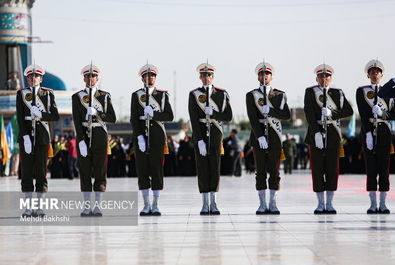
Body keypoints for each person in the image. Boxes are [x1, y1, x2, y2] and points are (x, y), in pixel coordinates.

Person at [304, 64, 353, 214]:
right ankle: (320, 204)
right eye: (321, 76)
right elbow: (309, 112)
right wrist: (316, 132)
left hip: (333, 134)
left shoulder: (338, 93)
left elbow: (348, 111)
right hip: (315, 133)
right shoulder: (310, 92)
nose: (324, 79)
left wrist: (332, 113)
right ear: (316, 78)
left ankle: (330, 203)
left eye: (327, 76)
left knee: (332, 169)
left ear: (331, 78)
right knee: (317, 170)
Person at [246, 61, 290, 215]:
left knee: (275, 171)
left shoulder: (279, 95)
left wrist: (271, 110)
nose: (264, 76)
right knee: (260, 172)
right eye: (261, 74)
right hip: (259, 137)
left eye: (267, 74)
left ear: (271, 76)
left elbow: (286, 115)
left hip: (275, 136)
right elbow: (252, 118)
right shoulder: (251, 95)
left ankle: (273, 202)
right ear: (258, 76)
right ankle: (262, 203)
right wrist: (259, 137)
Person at [72, 64, 116, 217]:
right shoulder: (77, 97)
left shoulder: (105, 96)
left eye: (93, 76)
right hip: (84, 133)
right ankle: (86, 206)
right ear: (84, 78)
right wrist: (81, 140)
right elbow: (76, 121)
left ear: (97, 78)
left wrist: (98, 113)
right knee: (84, 171)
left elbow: (112, 118)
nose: (90, 79)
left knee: (100, 170)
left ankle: (97, 206)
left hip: (99, 134)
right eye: (87, 76)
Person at [188, 62, 232, 215]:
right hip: (200, 133)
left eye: (209, 75)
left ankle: (213, 202)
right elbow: (193, 118)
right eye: (203, 75)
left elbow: (228, 116)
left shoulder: (221, 94)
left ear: (213, 77)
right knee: (202, 169)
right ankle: (204, 203)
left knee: (214, 167)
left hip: (215, 134)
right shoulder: (194, 94)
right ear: (200, 77)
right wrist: (198, 139)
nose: (206, 78)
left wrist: (213, 113)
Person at [130, 64, 173, 216]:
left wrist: (154, 115)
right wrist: (139, 136)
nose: (150, 78)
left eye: (152, 76)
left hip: (157, 136)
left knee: (156, 169)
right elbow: (134, 118)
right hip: (141, 136)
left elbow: (169, 115)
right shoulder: (136, 95)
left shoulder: (162, 95)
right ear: (142, 79)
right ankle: (145, 204)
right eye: (147, 76)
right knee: (142, 170)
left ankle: (155, 204)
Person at [17, 64, 59, 217]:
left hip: (42, 136)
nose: (33, 79)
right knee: (26, 172)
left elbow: (55, 116)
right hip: (26, 136)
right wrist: (25, 136)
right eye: (30, 76)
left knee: (41, 172)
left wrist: (41, 115)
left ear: (41, 78)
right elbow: (20, 118)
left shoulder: (47, 94)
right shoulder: (21, 94)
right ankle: (28, 207)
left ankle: (40, 207)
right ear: (27, 78)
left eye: (36, 76)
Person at [356, 59, 395, 214]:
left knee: (384, 169)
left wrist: (383, 113)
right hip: (368, 132)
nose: (375, 74)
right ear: (368, 75)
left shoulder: (391, 92)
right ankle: (373, 204)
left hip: (385, 133)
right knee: (371, 169)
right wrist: (368, 135)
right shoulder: (362, 91)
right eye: (372, 72)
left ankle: (383, 204)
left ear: (382, 75)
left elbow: (393, 113)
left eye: (377, 72)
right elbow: (363, 114)